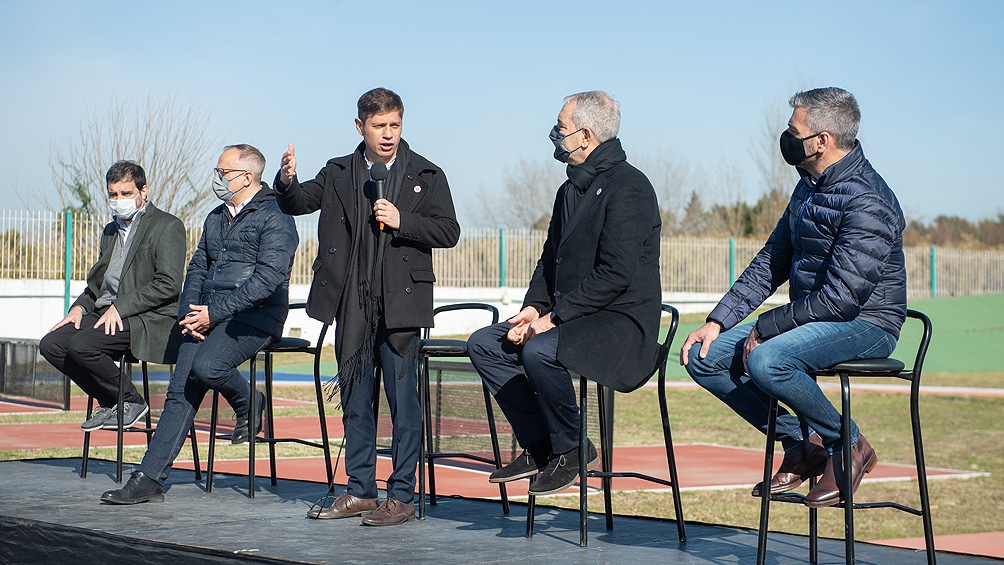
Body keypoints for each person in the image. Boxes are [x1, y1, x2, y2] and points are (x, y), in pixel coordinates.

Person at [681, 87, 906, 508]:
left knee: (768, 360)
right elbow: (771, 262)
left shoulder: (869, 200)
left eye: (793, 130)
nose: (785, 137)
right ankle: (803, 444)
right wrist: (717, 322)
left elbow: (843, 299)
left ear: (821, 140)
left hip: (867, 323)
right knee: (702, 356)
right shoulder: (807, 187)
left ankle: (850, 444)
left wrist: (767, 328)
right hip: (812, 318)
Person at [274, 88, 459, 526]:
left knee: (403, 404)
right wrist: (286, 181)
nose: (389, 134)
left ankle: (401, 496)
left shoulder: (427, 174)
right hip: (352, 303)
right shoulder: (340, 171)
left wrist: (403, 220)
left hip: (401, 305)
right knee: (357, 400)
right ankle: (360, 491)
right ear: (360, 127)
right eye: (380, 126)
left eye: (395, 125)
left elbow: (448, 230)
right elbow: (299, 203)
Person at [467, 91, 663, 496]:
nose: (554, 135)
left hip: (619, 323)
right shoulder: (568, 190)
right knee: (485, 343)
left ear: (585, 135)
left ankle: (572, 449)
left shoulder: (631, 188)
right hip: (574, 318)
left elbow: (615, 275)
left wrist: (552, 319)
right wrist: (531, 308)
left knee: (539, 350)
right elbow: (549, 259)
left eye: (560, 128)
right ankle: (542, 445)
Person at [100, 144, 299, 504]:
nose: (217, 179)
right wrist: (189, 314)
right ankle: (150, 478)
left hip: (255, 317)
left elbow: (269, 279)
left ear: (246, 177)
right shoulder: (215, 217)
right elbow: (197, 268)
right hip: (208, 316)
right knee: (180, 390)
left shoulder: (276, 216)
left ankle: (250, 402)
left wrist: (215, 312)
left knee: (208, 366)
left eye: (223, 173)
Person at [40, 161, 185, 431]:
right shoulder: (110, 230)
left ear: (144, 191)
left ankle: (132, 400)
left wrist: (121, 307)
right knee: (51, 344)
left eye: (126, 193)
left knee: (82, 345)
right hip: (105, 312)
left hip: (146, 318)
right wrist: (79, 309)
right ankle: (112, 400)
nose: (119, 200)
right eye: (113, 194)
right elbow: (98, 284)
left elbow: (169, 284)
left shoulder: (167, 226)